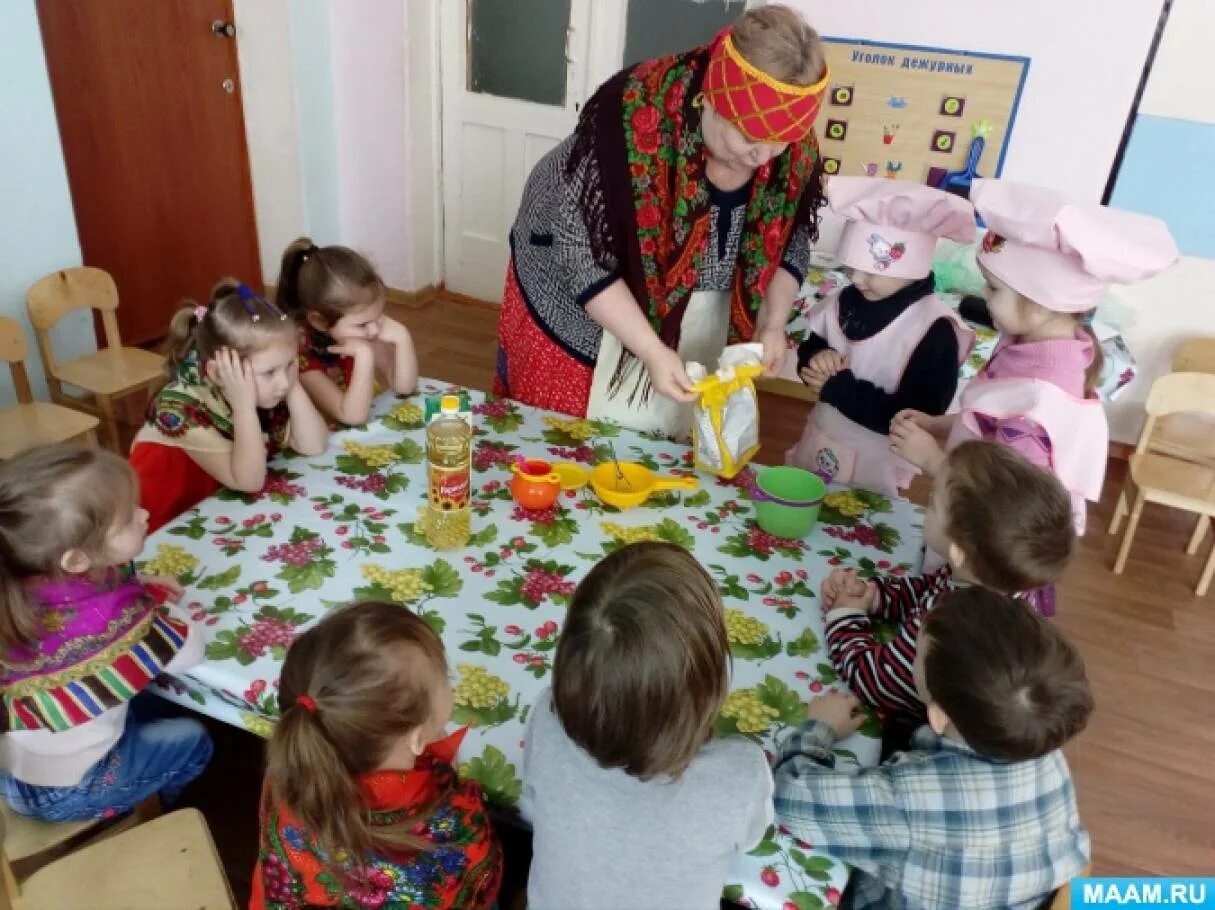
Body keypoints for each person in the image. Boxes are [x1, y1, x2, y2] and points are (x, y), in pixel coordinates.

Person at [496, 4, 830, 438]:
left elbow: (792, 237)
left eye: (780, 143)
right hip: (577, 297)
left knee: (666, 441)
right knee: (567, 442)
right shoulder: (629, 129)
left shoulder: (792, 139)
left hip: (688, 306)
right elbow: (583, 258)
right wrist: (651, 350)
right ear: (710, 99)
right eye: (748, 138)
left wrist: (772, 322)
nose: (764, 158)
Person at [774, 588, 1093, 910]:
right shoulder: (1048, 756)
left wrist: (819, 726)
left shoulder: (908, 800)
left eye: (915, 654)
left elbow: (787, 794)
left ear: (939, 715)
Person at [891, 178, 1179, 534]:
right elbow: (990, 429)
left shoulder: (1040, 402)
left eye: (993, 288)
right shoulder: (1027, 350)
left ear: (1043, 306)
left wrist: (934, 461)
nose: (982, 293)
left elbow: (1005, 499)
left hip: (989, 549)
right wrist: (941, 427)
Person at [523, 542, 771, 909]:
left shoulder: (545, 717)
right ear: (710, 680)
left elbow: (530, 802)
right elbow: (752, 839)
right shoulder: (742, 772)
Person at [0, 445, 212, 821]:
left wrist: (138, 582)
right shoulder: (118, 619)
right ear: (77, 559)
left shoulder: (19, 580)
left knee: (155, 695)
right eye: (130, 518)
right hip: (72, 787)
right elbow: (190, 649)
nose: (145, 515)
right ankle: (154, 811)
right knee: (194, 738)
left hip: (19, 764)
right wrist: (152, 602)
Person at [251, 601, 502, 910]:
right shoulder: (455, 823)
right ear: (417, 737)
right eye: (445, 679)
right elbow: (484, 886)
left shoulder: (289, 768)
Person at [820, 440, 1075, 726]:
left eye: (932, 503)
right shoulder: (992, 577)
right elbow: (928, 589)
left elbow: (875, 683)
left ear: (959, 551)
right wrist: (876, 595)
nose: (924, 507)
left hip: (919, 728)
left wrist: (844, 615)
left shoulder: (947, 623)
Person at [786, 178, 976, 493]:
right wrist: (815, 359)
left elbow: (915, 417)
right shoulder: (844, 299)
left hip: (875, 471)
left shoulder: (935, 329)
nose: (856, 279)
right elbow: (812, 347)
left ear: (913, 265)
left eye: (871, 271)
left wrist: (839, 389)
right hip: (816, 442)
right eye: (850, 268)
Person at [130, 279, 328, 532]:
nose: (282, 382)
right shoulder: (178, 407)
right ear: (219, 372)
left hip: (220, 508)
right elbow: (249, 481)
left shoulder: (271, 388)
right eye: (269, 372)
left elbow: (314, 445)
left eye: (290, 364)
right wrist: (244, 409)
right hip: (161, 524)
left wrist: (291, 381)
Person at [276, 237, 418, 425]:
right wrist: (365, 356)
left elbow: (403, 388)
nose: (375, 329)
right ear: (319, 321)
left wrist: (403, 338)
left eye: (379, 316)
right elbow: (352, 417)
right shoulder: (302, 355)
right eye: (363, 324)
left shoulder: (366, 329)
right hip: (324, 435)